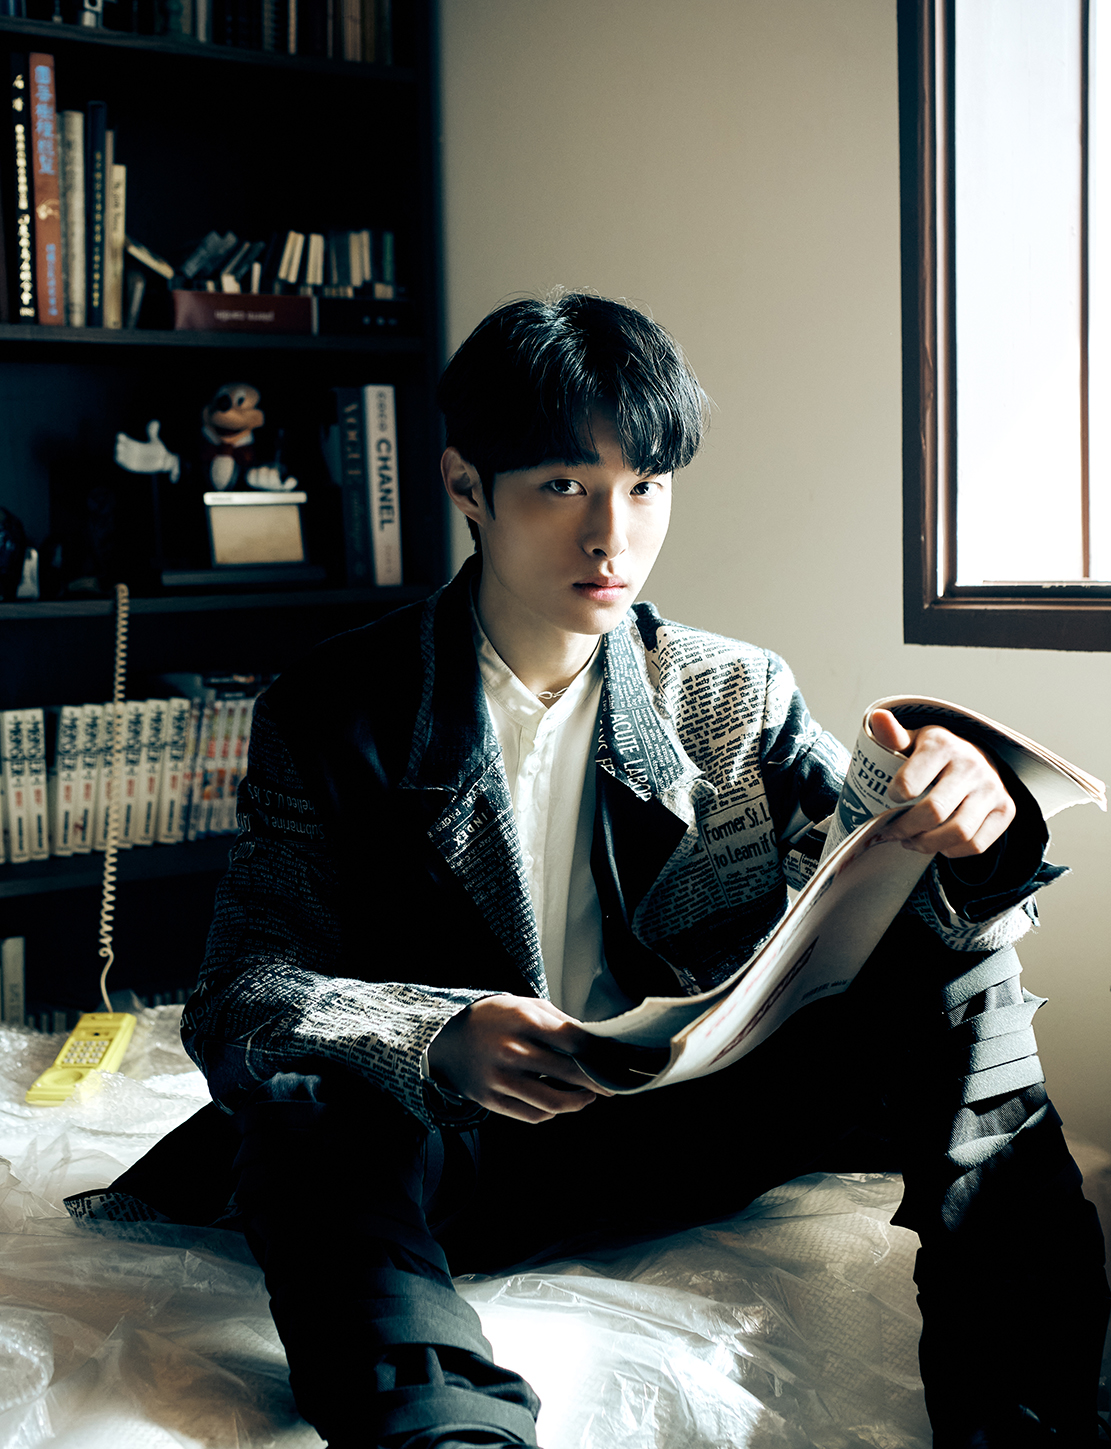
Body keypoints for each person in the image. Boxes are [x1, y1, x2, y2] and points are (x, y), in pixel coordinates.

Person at [88, 294, 1108, 1448]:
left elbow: (868, 898)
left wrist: (961, 825)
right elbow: (243, 993)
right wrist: (438, 1038)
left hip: (691, 1122)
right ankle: (448, 1429)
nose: (610, 538)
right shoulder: (334, 708)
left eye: (645, 488)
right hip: (462, 1155)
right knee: (307, 1101)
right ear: (466, 485)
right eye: (564, 487)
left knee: (965, 978)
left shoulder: (732, 692)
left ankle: (1031, 1424)